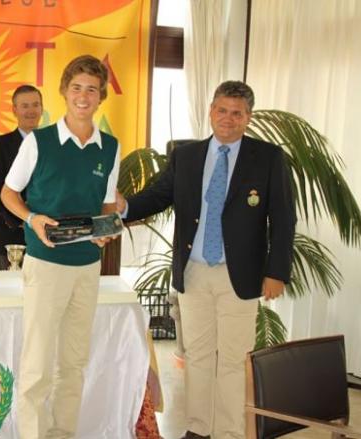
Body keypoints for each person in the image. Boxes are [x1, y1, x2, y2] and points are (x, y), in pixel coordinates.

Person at [117, 81, 296, 439]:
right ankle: (198, 428)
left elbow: (284, 217)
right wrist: (124, 207)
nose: (227, 119)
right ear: (210, 110)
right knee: (197, 355)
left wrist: (276, 272)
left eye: (237, 113)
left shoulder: (268, 157)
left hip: (240, 276)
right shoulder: (187, 156)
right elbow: (158, 196)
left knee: (232, 359)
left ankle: (229, 433)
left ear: (248, 118)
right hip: (194, 272)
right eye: (221, 110)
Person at [1, 55, 120, 438]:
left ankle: (63, 433)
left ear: (101, 96)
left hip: (88, 265)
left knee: (73, 363)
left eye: (91, 89)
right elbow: (8, 193)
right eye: (76, 88)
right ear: (64, 93)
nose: (83, 96)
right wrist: (31, 218)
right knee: (36, 365)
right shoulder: (39, 142)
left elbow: (105, 203)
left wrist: (105, 227)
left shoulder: (110, 147)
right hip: (46, 264)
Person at [0, 84, 43, 271]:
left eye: (35, 105)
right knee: (5, 298)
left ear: (42, 108)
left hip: (46, 236)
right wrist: (23, 219)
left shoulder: (54, 144)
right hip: (9, 234)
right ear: (14, 110)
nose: (31, 111)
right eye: (25, 106)